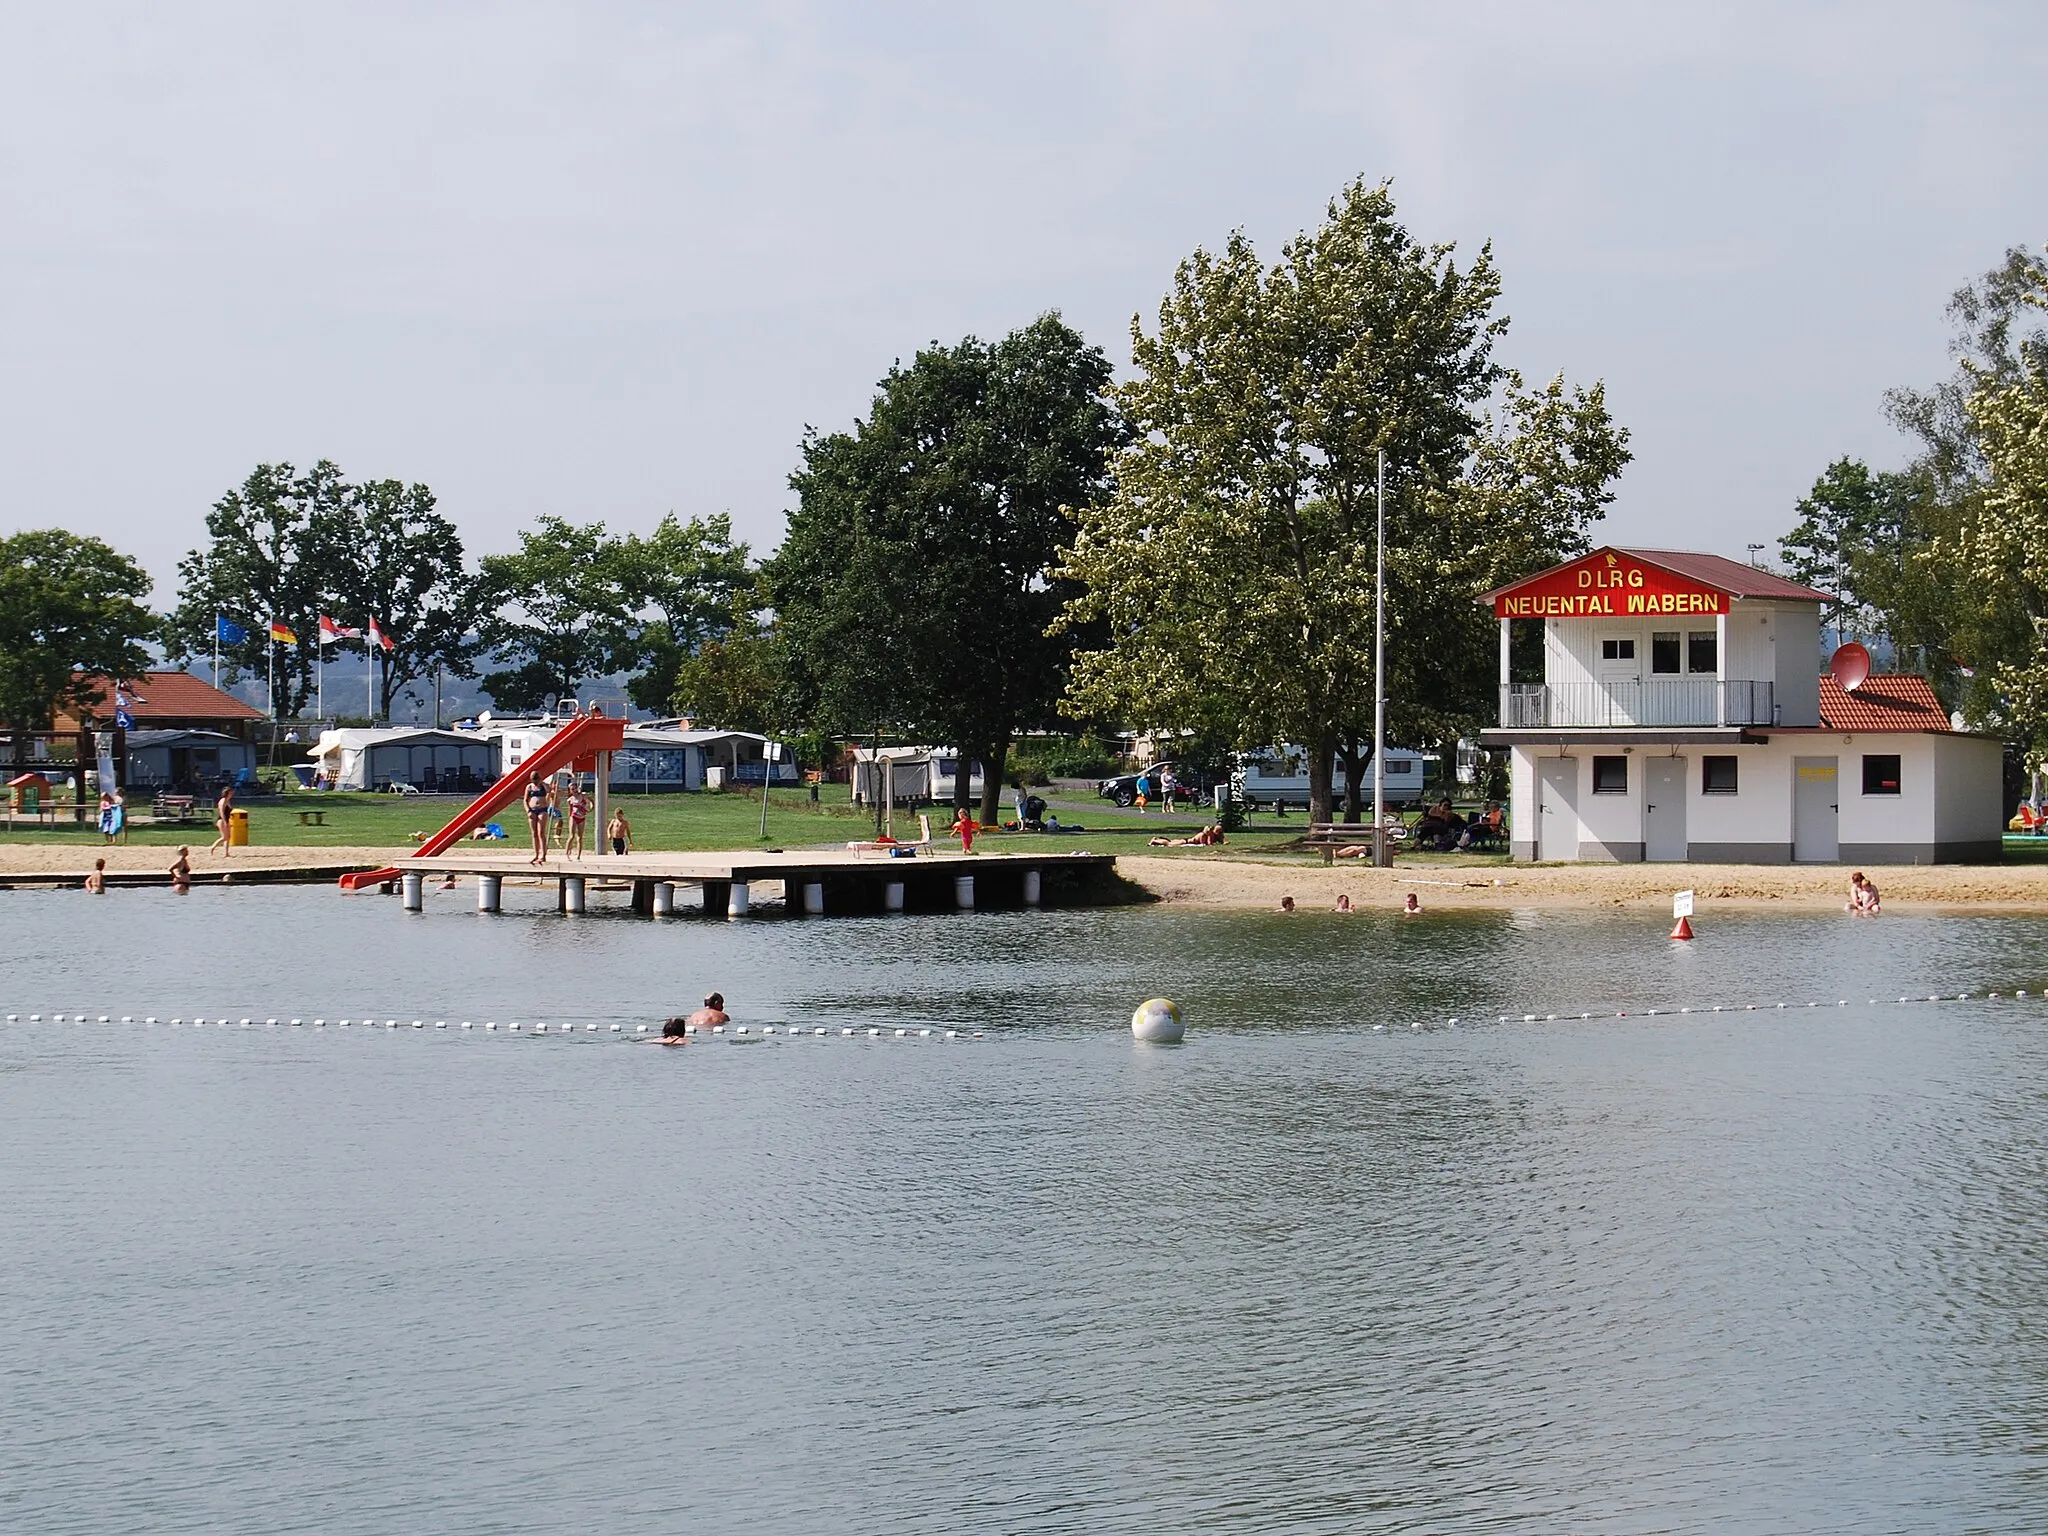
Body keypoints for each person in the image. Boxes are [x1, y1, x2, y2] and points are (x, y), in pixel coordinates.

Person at [523, 773, 550, 864]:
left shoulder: (543, 786)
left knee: (541, 832)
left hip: (542, 810)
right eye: (533, 780)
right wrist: (528, 811)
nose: (534, 782)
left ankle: (543, 854)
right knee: (534, 833)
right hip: (532, 810)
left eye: (536, 780)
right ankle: (536, 854)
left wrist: (542, 783)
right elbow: (525, 800)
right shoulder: (529, 787)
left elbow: (549, 791)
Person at [209, 784, 235, 857]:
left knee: (228, 837)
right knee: (224, 837)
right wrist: (224, 821)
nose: (232, 794)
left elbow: (229, 811)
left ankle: (226, 853)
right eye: (230, 793)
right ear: (227, 793)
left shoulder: (227, 801)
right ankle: (212, 847)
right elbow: (221, 812)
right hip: (222, 820)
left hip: (227, 820)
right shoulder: (223, 801)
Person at [566, 784, 590, 858]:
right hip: (574, 816)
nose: (573, 790)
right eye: (572, 789)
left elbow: (590, 800)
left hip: (581, 817)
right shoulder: (570, 799)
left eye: (574, 788)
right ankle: (567, 853)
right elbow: (570, 810)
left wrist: (590, 808)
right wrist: (569, 818)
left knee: (580, 837)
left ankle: (578, 855)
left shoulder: (583, 796)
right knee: (572, 836)